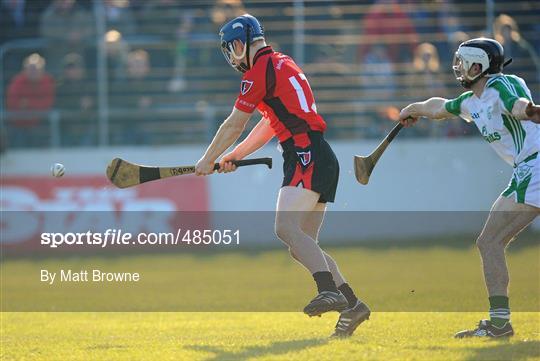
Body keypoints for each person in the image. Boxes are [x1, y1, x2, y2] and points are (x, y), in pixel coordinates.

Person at [194, 14, 370, 338]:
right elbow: (269, 125)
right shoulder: (280, 62)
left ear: (238, 44)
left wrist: (208, 159)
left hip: (305, 153)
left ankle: (328, 290)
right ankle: (353, 305)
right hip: (316, 154)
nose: (232, 57)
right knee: (301, 244)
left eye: (230, 50)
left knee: (285, 227)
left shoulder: (258, 71)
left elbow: (235, 123)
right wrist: (233, 155)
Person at [397, 38, 540, 338]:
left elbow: (516, 105)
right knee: (489, 242)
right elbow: (439, 108)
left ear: (479, 66)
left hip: (535, 166)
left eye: (463, 62)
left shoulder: (502, 84)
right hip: (526, 171)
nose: (458, 67)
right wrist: (414, 109)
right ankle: (499, 323)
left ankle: (500, 324)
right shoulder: (472, 101)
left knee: (490, 242)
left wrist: (529, 111)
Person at [6, 53, 55, 148]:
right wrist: (35, 106)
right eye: (31, 69)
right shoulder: (17, 81)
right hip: (19, 124)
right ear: (24, 70)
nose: (33, 72)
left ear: (42, 70)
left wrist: (28, 104)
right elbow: (12, 104)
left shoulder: (48, 81)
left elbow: (48, 104)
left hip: (40, 124)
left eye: (36, 69)